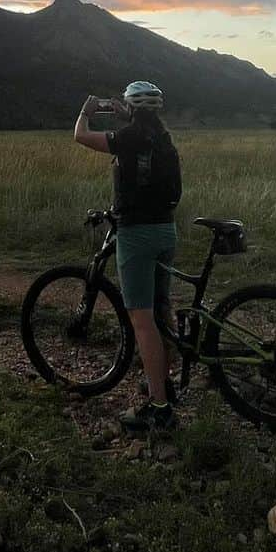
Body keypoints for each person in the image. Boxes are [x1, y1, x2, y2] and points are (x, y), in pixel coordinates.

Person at [73, 81, 182, 432]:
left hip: (137, 234)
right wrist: (125, 114)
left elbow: (81, 136)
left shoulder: (130, 137)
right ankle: (163, 384)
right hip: (166, 229)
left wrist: (86, 112)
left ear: (132, 108)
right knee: (161, 310)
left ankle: (159, 408)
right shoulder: (160, 137)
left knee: (142, 320)